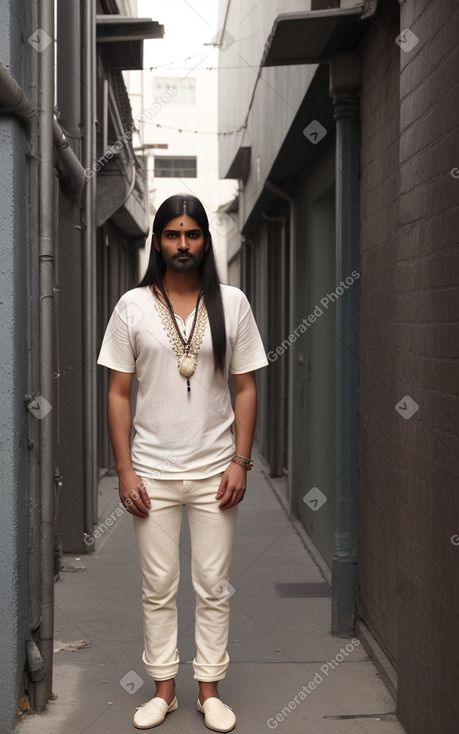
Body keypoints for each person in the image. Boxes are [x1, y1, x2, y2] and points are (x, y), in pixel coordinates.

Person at [97, 194, 268, 732]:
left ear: (205, 241)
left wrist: (241, 460)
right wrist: (125, 469)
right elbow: (119, 393)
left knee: (213, 584)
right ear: (159, 241)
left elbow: (245, 386)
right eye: (172, 234)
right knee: (158, 585)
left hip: (216, 470)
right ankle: (164, 690)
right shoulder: (132, 306)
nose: (182, 244)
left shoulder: (232, 302)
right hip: (151, 470)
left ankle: (209, 690)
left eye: (192, 234)